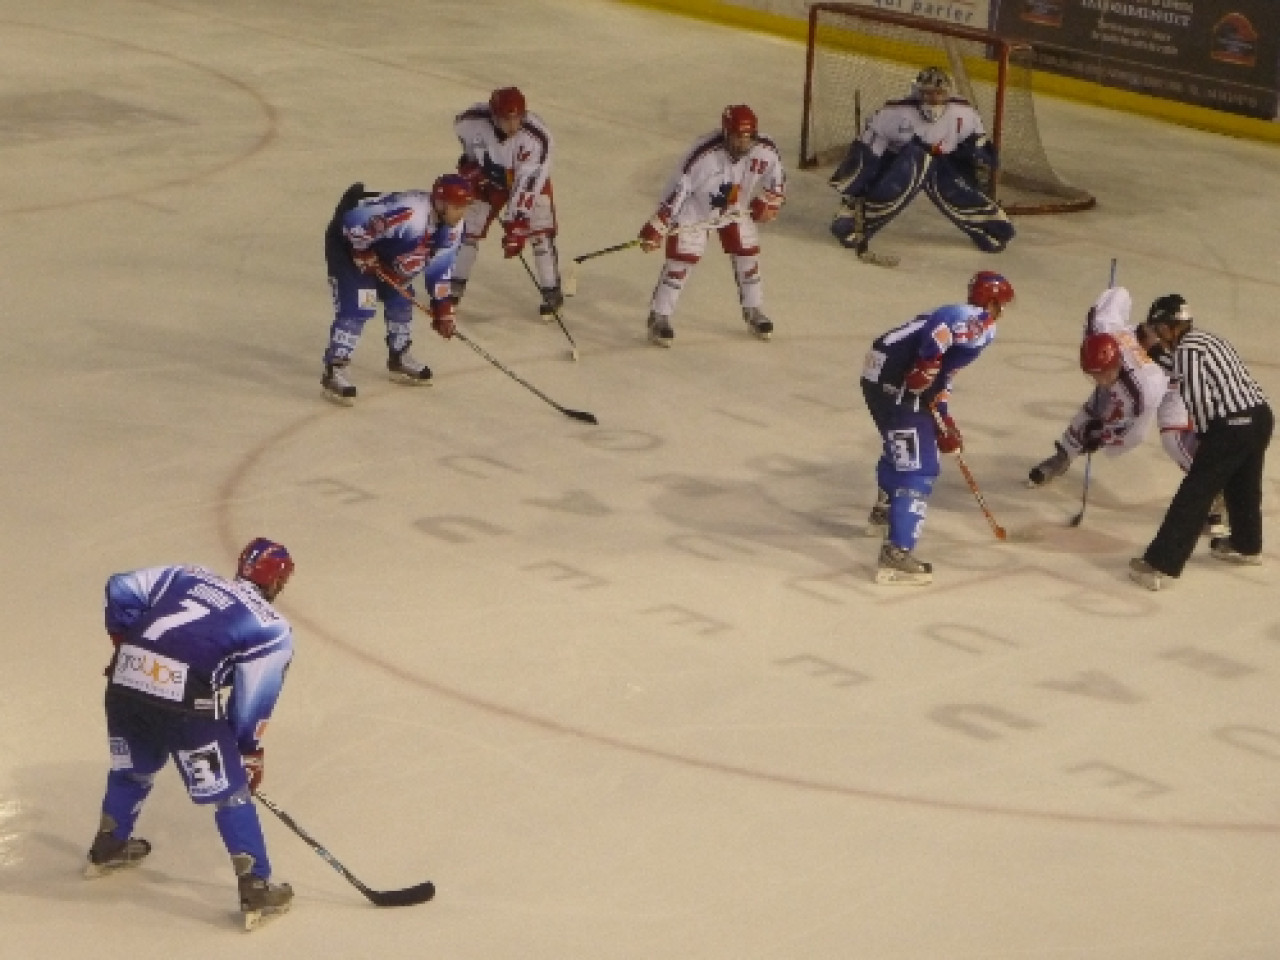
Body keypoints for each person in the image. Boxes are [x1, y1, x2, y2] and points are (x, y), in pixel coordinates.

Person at [85, 539, 297, 930]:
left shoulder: (187, 574)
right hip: (183, 702)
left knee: (132, 768)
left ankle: (108, 844)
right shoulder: (271, 627)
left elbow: (120, 585)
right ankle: (257, 887)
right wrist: (247, 754)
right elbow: (252, 703)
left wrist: (124, 644)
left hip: (125, 681)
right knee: (231, 793)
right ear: (280, 582)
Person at [1023, 286, 1227, 531]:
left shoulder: (1142, 389)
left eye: (1105, 374)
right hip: (1140, 376)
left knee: (1174, 439)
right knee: (1093, 410)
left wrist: (1102, 435)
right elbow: (1119, 294)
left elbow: (1133, 436)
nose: (1101, 380)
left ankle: (1218, 490)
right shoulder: (1101, 330)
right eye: (1094, 374)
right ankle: (1063, 456)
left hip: (1173, 387)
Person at [859, 271, 1016, 584]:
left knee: (900, 449)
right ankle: (897, 553)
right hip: (899, 387)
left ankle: (886, 509)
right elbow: (945, 321)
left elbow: (945, 375)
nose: (1004, 310)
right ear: (993, 302)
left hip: (876, 379)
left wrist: (944, 419)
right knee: (919, 470)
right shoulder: (979, 321)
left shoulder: (971, 323)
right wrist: (927, 364)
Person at [1129, 295, 1272, 590]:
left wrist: (1206, 436)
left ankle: (1160, 564)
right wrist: (1154, 352)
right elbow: (1182, 370)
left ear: (1170, 327)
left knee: (1194, 494)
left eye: (1159, 330)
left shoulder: (1187, 351)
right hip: (1259, 418)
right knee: (1244, 485)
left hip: (1229, 425)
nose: (1158, 335)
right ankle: (1246, 546)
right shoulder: (1207, 340)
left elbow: (1196, 396)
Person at [637, 104, 786, 347]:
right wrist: (659, 224)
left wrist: (770, 200)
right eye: (738, 137)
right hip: (696, 209)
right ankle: (659, 317)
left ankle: (754, 310)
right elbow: (677, 190)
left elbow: (777, 181)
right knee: (682, 260)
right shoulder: (702, 156)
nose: (742, 144)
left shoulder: (765, 150)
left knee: (748, 256)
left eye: (748, 138)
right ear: (726, 133)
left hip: (735, 207)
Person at [829, 67, 1014, 256]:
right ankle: (854, 221)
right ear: (918, 92)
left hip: (946, 161)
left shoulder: (964, 113)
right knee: (904, 172)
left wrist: (979, 170)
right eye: (928, 93)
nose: (934, 99)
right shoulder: (894, 112)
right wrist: (860, 181)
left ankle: (989, 226)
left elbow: (978, 146)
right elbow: (869, 150)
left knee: (957, 189)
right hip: (900, 161)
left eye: (939, 93)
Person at [321, 175, 472, 405]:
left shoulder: (453, 227)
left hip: (384, 249)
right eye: (456, 207)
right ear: (440, 204)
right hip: (349, 241)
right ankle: (335, 367)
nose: (461, 213)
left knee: (401, 299)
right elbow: (352, 221)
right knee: (363, 304)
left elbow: (441, 267)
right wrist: (362, 252)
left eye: (464, 207)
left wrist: (443, 307)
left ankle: (399, 355)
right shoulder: (410, 213)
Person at [452, 87, 563, 320]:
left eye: (518, 118)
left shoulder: (537, 139)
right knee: (467, 230)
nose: (513, 126)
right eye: (506, 119)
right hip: (489, 184)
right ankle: (454, 286)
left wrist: (517, 223)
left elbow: (529, 183)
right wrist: (471, 166)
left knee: (540, 234)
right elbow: (467, 143)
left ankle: (551, 291)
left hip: (528, 183)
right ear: (494, 116)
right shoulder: (470, 122)